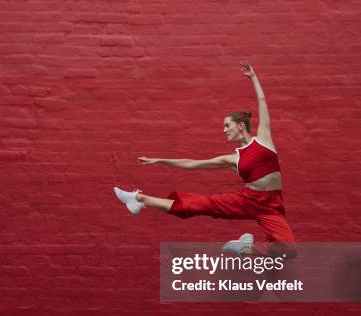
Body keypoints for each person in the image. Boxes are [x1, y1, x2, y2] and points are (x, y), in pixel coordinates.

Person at [113, 61, 295, 257]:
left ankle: (244, 246)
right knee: (197, 204)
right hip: (248, 200)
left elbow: (262, 101)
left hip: (271, 205)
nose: (224, 130)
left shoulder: (264, 140)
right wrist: (161, 160)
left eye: (227, 125)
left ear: (241, 125)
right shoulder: (233, 159)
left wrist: (253, 77)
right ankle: (138, 198)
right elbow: (193, 163)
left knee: (289, 250)